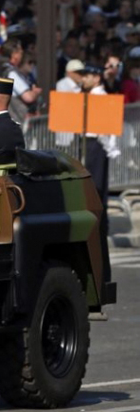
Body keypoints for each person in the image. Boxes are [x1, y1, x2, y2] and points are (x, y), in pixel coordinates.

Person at [80, 65, 119, 283]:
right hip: (94, 146)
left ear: (95, 78)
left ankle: (101, 273)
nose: (83, 79)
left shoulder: (99, 98)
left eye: (87, 76)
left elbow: (106, 134)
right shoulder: (90, 96)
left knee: (95, 201)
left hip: (96, 147)